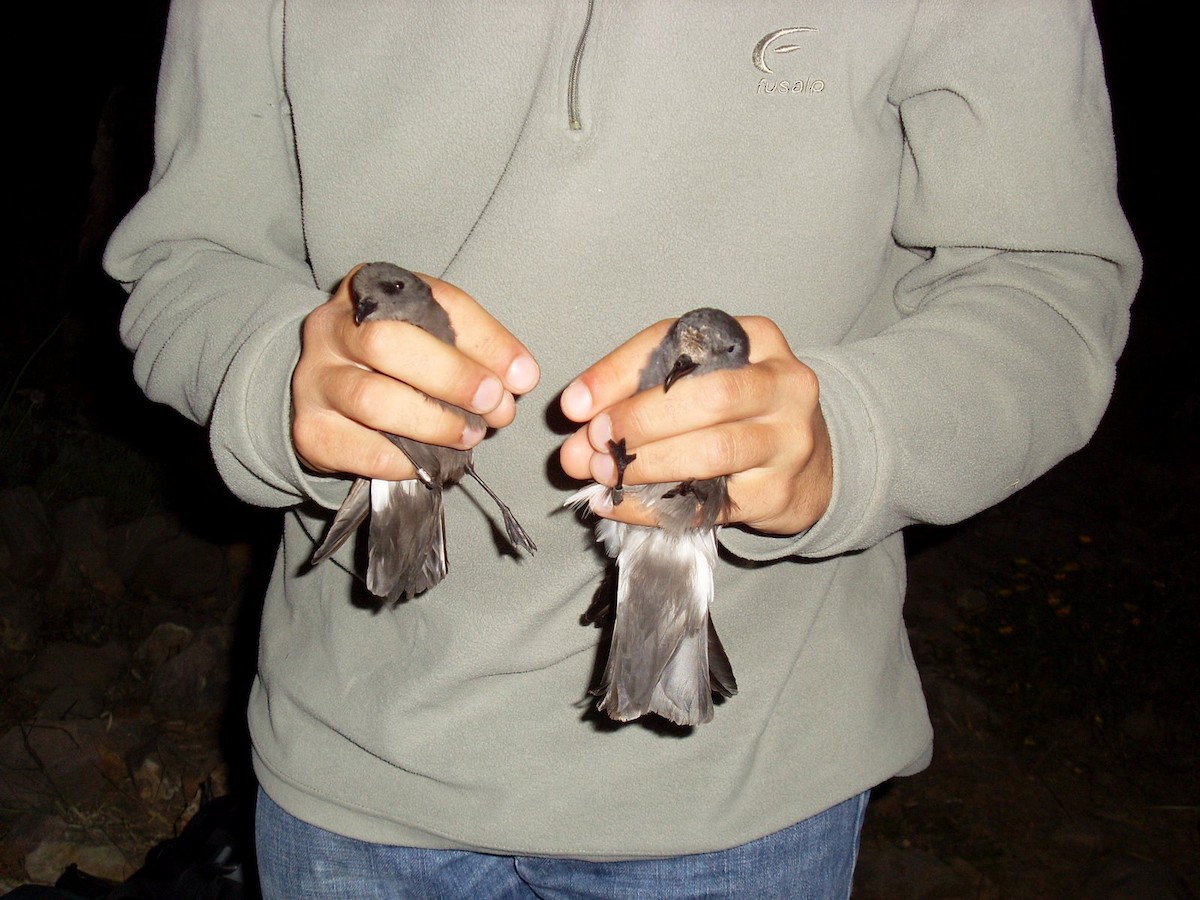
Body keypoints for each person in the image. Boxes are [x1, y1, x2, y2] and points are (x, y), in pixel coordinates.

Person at [104, 2, 1140, 897]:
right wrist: (282, 372)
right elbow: (191, 255)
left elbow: (1048, 286)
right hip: (353, 769)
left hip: (746, 792)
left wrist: (848, 438)